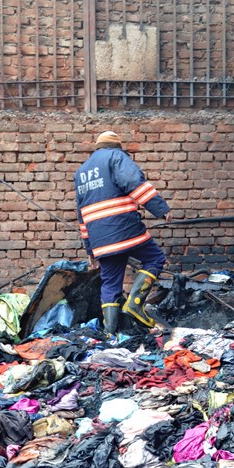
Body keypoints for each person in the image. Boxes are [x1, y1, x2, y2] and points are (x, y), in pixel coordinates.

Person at [75, 130, 172, 334]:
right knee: (155, 258)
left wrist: (90, 249)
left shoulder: (81, 172)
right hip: (124, 228)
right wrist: (160, 209)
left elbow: (81, 213)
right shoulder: (116, 157)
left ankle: (111, 333)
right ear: (116, 146)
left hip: (100, 238)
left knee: (110, 281)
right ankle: (135, 304)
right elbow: (134, 184)